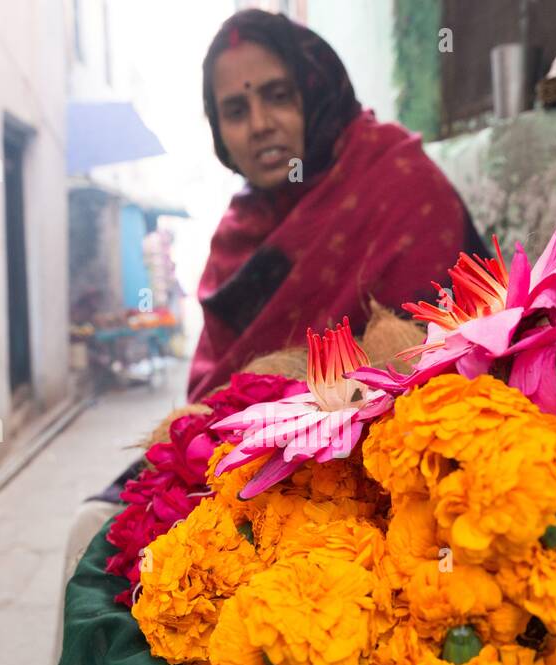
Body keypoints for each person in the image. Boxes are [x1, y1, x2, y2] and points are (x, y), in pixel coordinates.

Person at [189, 8, 488, 402]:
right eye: (236, 111)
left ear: (318, 91)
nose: (260, 124)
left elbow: (460, 355)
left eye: (278, 96)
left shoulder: (396, 180)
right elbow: (211, 398)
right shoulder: (236, 236)